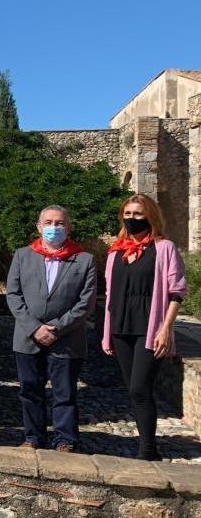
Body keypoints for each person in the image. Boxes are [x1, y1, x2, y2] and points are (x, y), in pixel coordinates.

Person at [102, 194, 187, 461]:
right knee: (133, 389)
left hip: (149, 327)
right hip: (121, 326)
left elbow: (177, 292)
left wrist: (166, 328)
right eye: (127, 214)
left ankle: (148, 450)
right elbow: (110, 292)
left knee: (140, 388)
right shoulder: (116, 252)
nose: (132, 219)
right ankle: (146, 444)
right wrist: (108, 331)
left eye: (138, 214)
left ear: (150, 216)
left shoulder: (164, 248)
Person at [6, 206, 96, 452]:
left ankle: (65, 439)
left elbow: (85, 303)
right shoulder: (22, 256)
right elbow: (13, 295)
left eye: (59, 223)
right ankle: (33, 437)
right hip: (27, 337)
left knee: (64, 392)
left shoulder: (84, 260)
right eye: (48, 222)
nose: (53, 228)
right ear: (38, 226)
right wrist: (35, 328)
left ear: (68, 227)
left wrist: (56, 328)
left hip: (66, 339)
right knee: (29, 390)